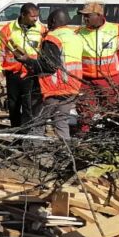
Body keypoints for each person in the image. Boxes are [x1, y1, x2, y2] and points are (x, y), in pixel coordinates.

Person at [27, 8, 84, 140]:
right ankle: (64, 153)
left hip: (53, 88)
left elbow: (49, 66)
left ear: (52, 21)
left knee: (39, 121)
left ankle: (34, 152)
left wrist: (28, 61)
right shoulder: (76, 37)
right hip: (72, 87)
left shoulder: (52, 38)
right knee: (61, 122)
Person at [76, 2, 119, 123]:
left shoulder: (118, 30)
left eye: (88, 15)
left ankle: (108, 134)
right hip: (85, 80)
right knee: (85, 109)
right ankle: (84, 134)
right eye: (83, 15)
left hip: (110, 79)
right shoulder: (78, 33)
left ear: (99, 15)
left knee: (110, 110)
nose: (85, 18)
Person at [0, 3, 45, 127]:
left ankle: (26, 136)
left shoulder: (42, 30)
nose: (35, 19)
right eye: (32, 16)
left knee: (29, 107)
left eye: (37, 16)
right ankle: (16, 135)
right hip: (13, 75)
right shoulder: (8, 29)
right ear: (23, 15)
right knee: (13, 106)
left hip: (32, 75)